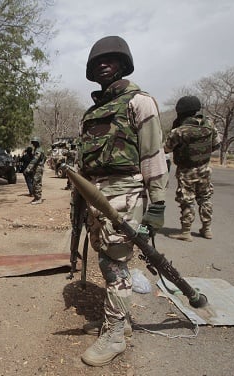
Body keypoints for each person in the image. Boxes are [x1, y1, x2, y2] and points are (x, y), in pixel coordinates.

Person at [75, 36, 168, 367]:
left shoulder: (139, 102)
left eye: (111, 59)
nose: (103, 63)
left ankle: (115, 336)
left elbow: (153, 155)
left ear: (124, 64)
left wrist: (156, 206)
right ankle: (119, 322)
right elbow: (83, 165)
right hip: (96, 197)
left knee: (116, 266)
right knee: (106, 260)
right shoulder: (91, 113)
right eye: (97, 61)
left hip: (125, 193)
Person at [164, 95, 221, 241]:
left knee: (187, 200)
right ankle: (207, 229)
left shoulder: (180, 131)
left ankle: (186, 232)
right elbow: (216, 145)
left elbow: (166, 148)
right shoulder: (210, 126)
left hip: (186, 171)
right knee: (205, 198)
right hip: (205, 169)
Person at [24, 137, 45, 204]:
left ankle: (38, 198)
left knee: (37, 182)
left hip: (38, 168)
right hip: (37, 168)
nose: (33, 144)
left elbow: (34, 160)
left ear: (37, 142)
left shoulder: (38, 150)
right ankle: (36, 197)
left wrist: (28, 169)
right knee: (35, 182)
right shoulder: (37, 149)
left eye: (34, 142)